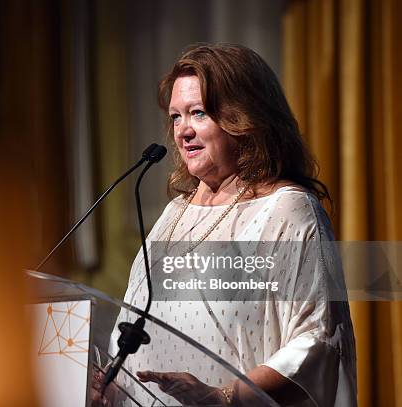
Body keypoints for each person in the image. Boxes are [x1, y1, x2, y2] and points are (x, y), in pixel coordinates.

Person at [103, 44, 357, 406]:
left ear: (245, 117)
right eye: (176, 117)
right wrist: (109, 385)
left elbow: (316, 339)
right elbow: (129, 326)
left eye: (199, 113)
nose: (182, 131)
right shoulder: (173, 215)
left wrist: (222, 396)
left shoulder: (287, 210)